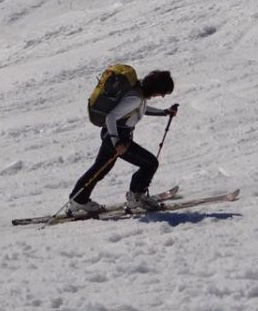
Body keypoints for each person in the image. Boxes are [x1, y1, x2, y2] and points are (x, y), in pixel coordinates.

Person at [68, 69, 177, 215]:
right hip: (117, 137)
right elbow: (111, 117)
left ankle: (78, 200)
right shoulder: (135, 97)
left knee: (99, 169)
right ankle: (136, 198)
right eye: (162, 92)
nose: (162, 96)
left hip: (113, 136)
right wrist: (117, 142)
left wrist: (164, 112)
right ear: (156, 88)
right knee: (150, 163)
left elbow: (139, 110)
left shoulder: (139, 94)